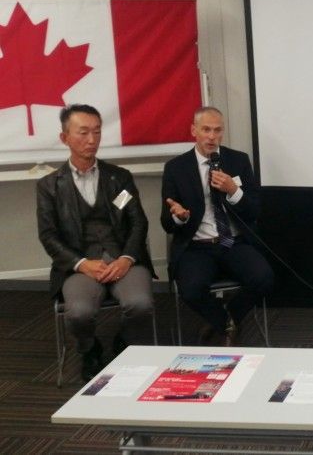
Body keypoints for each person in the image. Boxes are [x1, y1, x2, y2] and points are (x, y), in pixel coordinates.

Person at [37, 104, 155, 381]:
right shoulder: (50, 186)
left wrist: (127, 258)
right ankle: (89, 349)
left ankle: (124, 344)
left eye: (97, 132)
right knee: (78, 312)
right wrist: (81, 263)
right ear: (65, 138)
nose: (92, 140)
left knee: (139, 304)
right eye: (83, 133)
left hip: (123, 257)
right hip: (79, 264)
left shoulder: (118, 178)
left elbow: (138, 222)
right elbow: (48, 235)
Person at [162, 106, 274, 346]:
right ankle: (225, 323)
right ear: (194, 131)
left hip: (233, 241)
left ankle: (223, 320)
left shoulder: (238, 160)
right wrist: (179, 216)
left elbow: (254, 210)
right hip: (197, 245)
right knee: (191, 290)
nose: (212, 136)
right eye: (206, 130)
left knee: (263, 278)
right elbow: (166, 222)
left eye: (217, 130)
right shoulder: (176, 168)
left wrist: (233, 191)